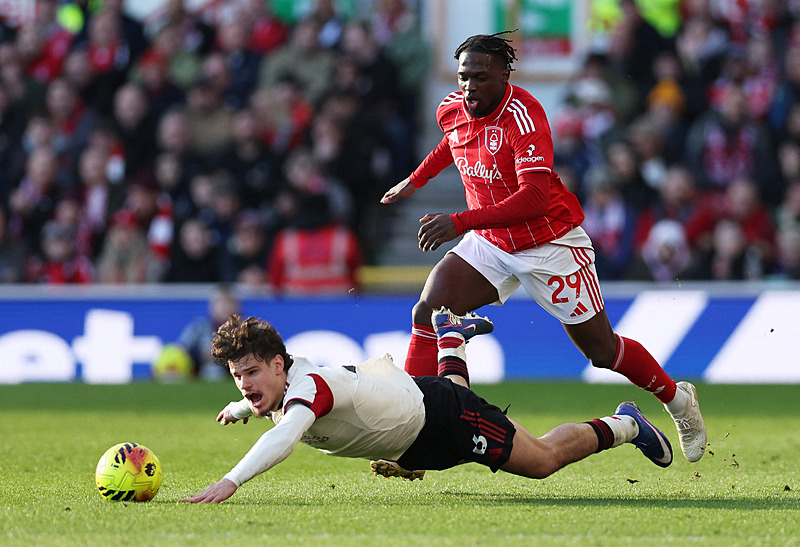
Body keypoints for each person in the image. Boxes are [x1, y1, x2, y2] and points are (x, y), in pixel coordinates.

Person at [379, 32, 706, 463]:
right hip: (492, 241)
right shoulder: (452, 108)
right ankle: (412, 434)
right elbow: (452, 143)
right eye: (463, 77)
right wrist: (416, 179)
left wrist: (459, 222)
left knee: (602, 351)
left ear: (504, 75)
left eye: (480, 77)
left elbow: (533, 198)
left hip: (547, 243)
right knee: (429, 310)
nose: (469, 87)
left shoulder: (525, 116)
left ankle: (678, 400)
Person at [181, 308, 673, 503]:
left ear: (278, 364)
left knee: (542, 460)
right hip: (414, 439)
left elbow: (285, 435)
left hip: (441, 418)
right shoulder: (282, 384)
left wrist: (231, 481)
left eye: (251, 373)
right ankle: (451, 339)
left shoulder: (308, 388)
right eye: (237, 376)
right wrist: (242, 407)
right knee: (452, 393)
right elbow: (267, 407)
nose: (245, 384)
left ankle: (625, 424)